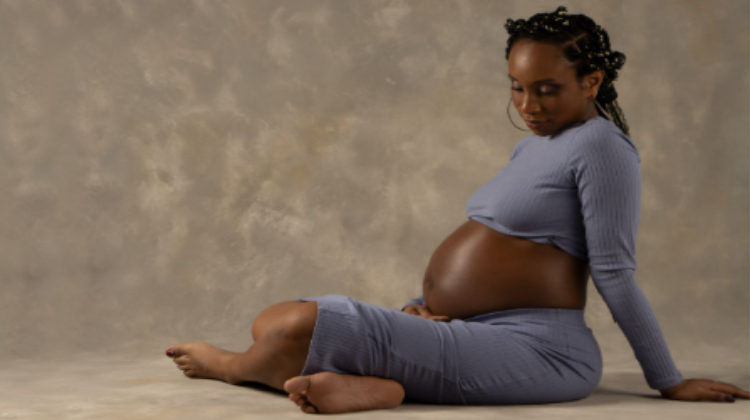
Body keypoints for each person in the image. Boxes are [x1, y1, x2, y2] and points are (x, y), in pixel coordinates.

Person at [164, 5, 750, 414]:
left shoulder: (603, 147)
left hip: (541, 351)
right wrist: (421, 304)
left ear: (592, 80)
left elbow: (615, 272)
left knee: (295, 329)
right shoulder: (535, 146)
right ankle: (380, 388)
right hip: (466, 330)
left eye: (546, 88)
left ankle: (234, 367)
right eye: (517, 86)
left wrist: (668, 380)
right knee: (273, 321)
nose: (528, 104)